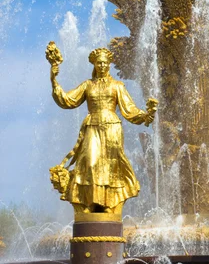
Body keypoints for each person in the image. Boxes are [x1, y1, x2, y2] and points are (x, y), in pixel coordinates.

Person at [47, 45, 158, 217]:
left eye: (105, 63)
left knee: (111, 165)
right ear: (94, 64)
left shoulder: (117, 86)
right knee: (90, 162)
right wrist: (53, 78)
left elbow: (130, 110)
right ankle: (89, 201)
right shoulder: (87, 85)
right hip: (92, 126)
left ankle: (109, 204)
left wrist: (146, 116)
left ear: (109, 64)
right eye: (99, 63)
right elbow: (67, 100)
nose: (102, 66)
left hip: (112, 127)